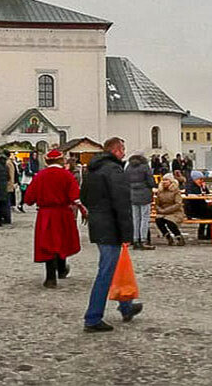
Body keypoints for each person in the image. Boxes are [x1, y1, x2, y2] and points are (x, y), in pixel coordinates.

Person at [79, 137, 143, 332]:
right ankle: (93, 317)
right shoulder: (114, 171)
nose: (124, 153)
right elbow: (121, 203)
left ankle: (126, 306)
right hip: (111, 226)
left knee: (115, 267)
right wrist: (127, 233)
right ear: (116, 150)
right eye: (122, 149)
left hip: (99, 224)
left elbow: (84, 196)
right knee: (106, 272)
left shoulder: (92, 170)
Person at [23, 149, 84, 288]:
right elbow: (75, 196)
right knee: (61, 241)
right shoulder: (67, 175)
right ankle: (61, 269)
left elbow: (29, 199)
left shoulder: (40, 176)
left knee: (47, 243)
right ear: (61, 160)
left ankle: (50, 277)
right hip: (63, 212)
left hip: (46, 213)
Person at [125, 153, 156, 250]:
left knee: (135, 218)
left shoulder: (128, 167)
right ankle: (143, 239)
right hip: (144, 194)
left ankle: (135, 239)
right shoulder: (145, 167)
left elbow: (124, 180)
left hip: (132, 194)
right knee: (145, 218)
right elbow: (151, 181)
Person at [153, 174, 186, 246]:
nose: (164, 182)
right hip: (162, 211)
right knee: (158, 220)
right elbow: (157, 203)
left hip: (175, 212)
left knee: (170, 221)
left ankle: (178, 237)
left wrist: (166, 210)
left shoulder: (176, 191)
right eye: (163, 180)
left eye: (166, 180)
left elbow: (178, 204)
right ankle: (168, 237)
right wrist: (159, 209)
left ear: (171, 181)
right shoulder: (160, 191)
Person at [184, 171, 212, 241]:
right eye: (200, 179)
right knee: (210, 215)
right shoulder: (190, 186)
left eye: (202, 179)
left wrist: (204, 188)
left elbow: (207, 194)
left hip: (200, 207)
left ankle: (207, 234)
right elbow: (191, 197)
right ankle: (204, 234)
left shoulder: (201, 186)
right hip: (193, 208)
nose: (201, 181)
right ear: (194, 179)